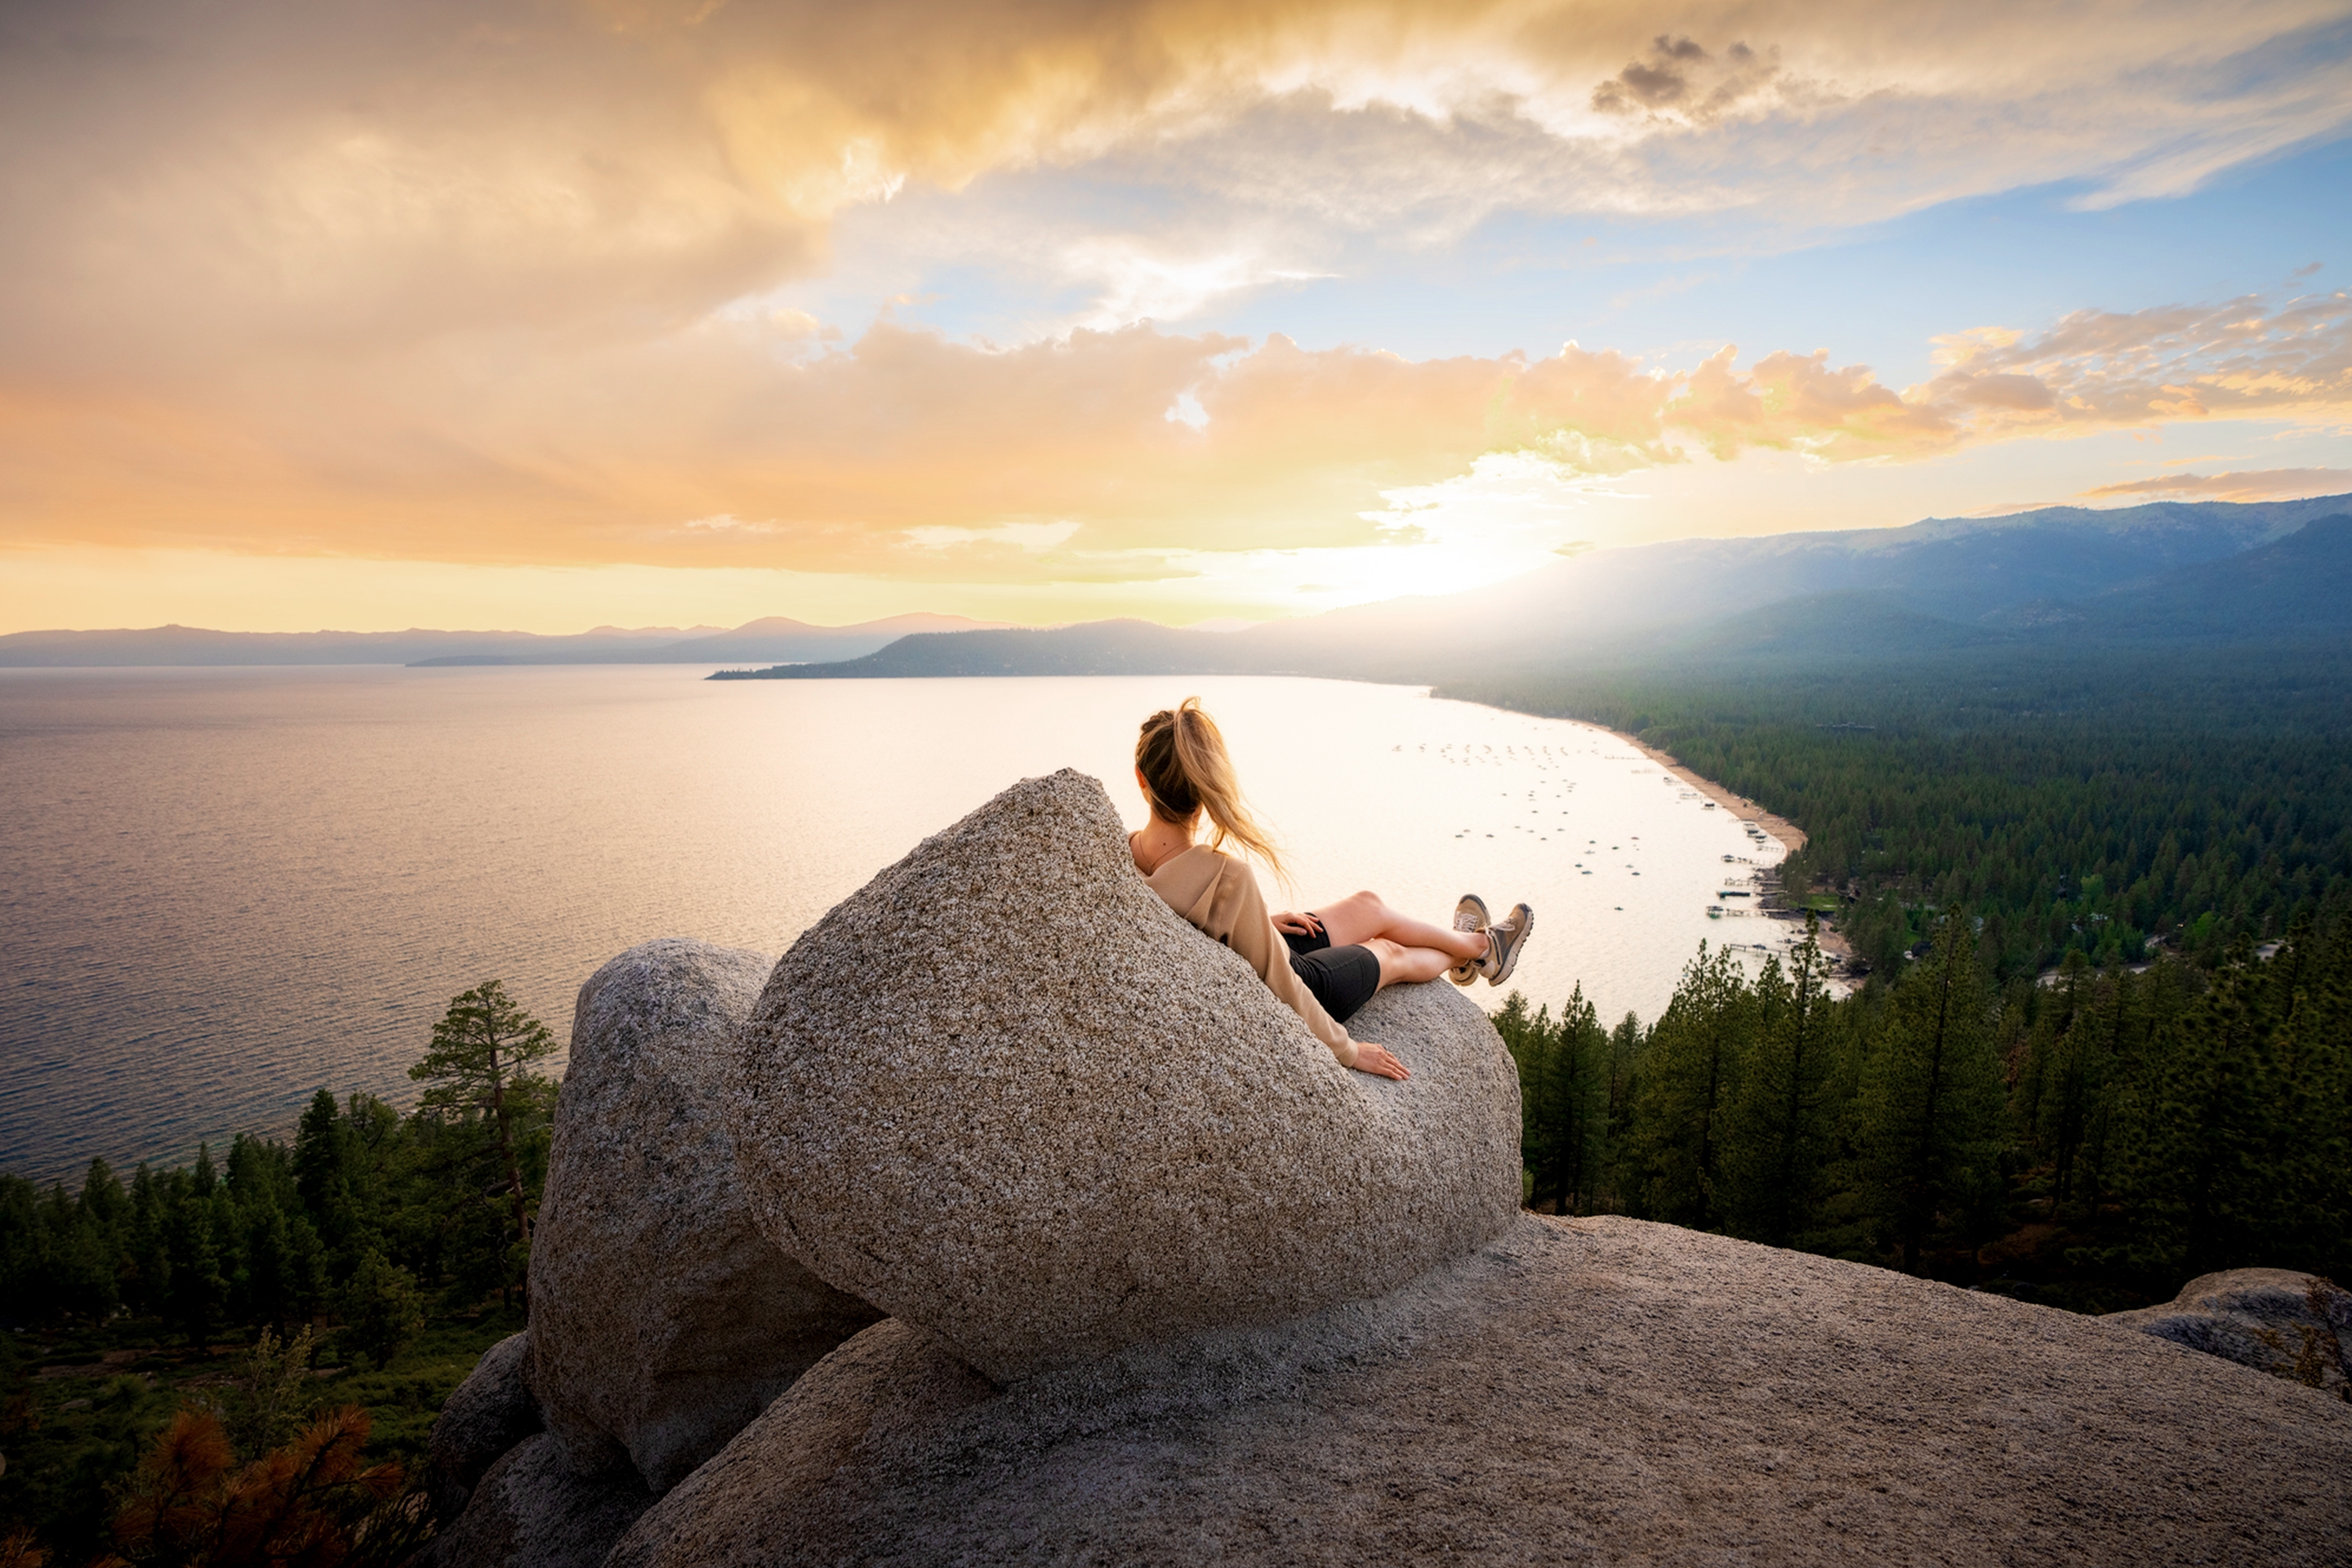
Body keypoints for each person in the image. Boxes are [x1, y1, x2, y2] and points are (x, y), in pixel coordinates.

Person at [1126, 698, 1534, 1083]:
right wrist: (1348, 1050)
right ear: (1207, 787)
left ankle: (1477, 948)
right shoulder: (1226, 877)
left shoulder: (1120, 854)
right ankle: (1470, 955)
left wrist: (1257, 920)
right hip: (1307, 985)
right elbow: (1283, 985)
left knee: (1368, 905)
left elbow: (1181, 916)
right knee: (1391, 953)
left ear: (1140, 778)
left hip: (1265, 945)